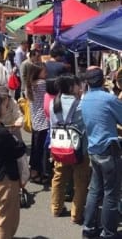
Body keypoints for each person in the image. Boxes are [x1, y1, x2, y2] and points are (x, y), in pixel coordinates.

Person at [81, 67, 122, 239]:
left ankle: (89, 228)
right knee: (111, 194)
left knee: (95, 190)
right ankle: (109, 233)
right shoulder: (108, 99)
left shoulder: (85, 99)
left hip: (93, 149)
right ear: (102, 80)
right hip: (108, 149)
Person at [0, 93, 26, 239]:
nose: (5, 107)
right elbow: (18, 149)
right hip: (5, 179)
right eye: (3, 105)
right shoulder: (0, 132)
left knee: (0, 211)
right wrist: (17, 141)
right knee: (7, 218)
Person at [49, 74, 90, 223]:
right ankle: (76, 214)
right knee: (80, 181)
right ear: (72, 87)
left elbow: (52, 125)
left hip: (59, 147)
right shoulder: (81, 105)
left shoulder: (53, 103)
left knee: (59, 178)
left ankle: (56, 208)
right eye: (78, 85)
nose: (80, 87)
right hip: (79, 149)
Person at [26, 62, 49, 184]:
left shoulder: (29, 84)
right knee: (40, 149)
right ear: (37, 72)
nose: (47, 73)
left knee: (36, 148)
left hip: (35, 120)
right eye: (44, 71)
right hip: (43, 121)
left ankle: (33, 170)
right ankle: (36, 172)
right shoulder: (41, 84)